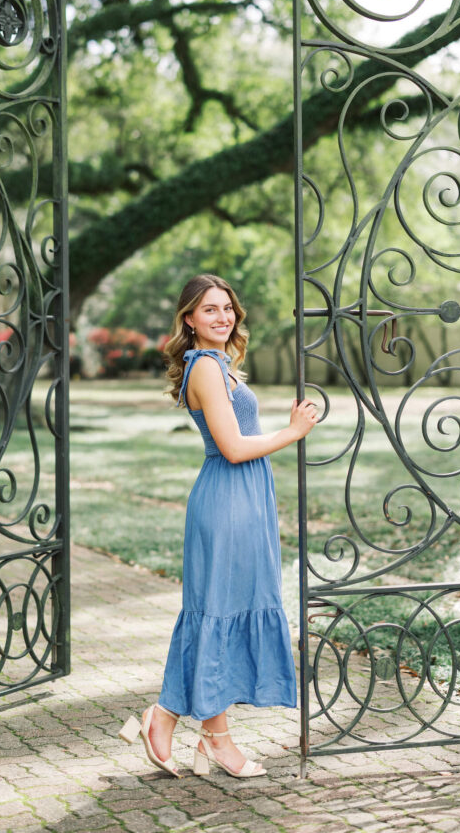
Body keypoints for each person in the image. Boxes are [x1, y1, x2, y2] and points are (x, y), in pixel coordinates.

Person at [119, 274, 318, 778]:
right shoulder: (205, 368)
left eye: (227, 308)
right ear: (189, 319)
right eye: (209, 310)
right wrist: (293, 432)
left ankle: (210, 737)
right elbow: (232, 447)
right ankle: (169, 718)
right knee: (216, 614)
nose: (222, 317)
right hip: (227, 498)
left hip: (247, 497)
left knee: (226, 611)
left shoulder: (220, 365)